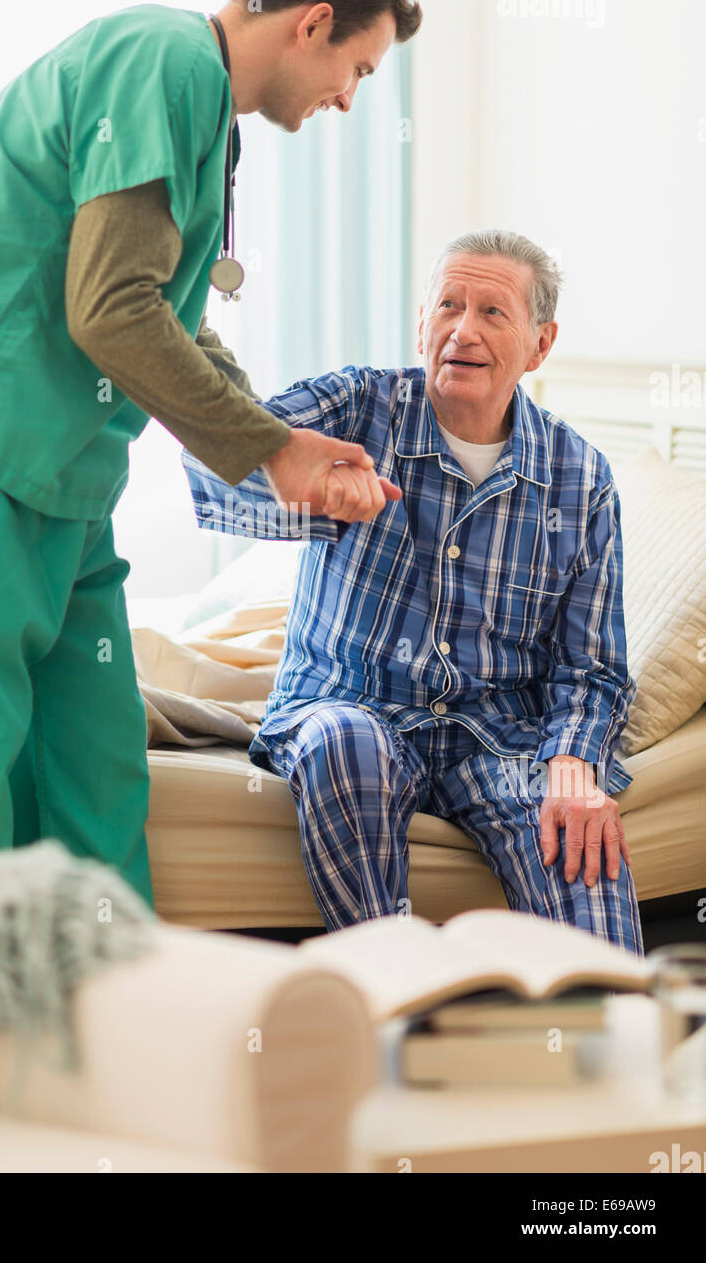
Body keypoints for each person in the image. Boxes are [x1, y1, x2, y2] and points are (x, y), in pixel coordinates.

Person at [0, 0, 419, 906]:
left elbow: (168, 312)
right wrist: (267, 452)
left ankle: (108, 995)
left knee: (94, 746)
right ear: (313, 23)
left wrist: (284, 441)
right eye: (358, 68)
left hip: (61, 458)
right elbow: (110, 310)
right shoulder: (162, 60)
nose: (350, 99)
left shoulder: (200, 108)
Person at [182, 230, 644, 956]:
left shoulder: (581, 479)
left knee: (577, 838)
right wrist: (308, 490)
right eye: (449, 306)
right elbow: (215, 454)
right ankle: (394, 980)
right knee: (347, 742)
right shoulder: (357, 406)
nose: (464, 330)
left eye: (494, 312)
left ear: (539, 344)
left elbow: (591, 667)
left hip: (497, 734)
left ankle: (616, 1039)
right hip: (351, 703)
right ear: (420, 321)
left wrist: (574, 762)